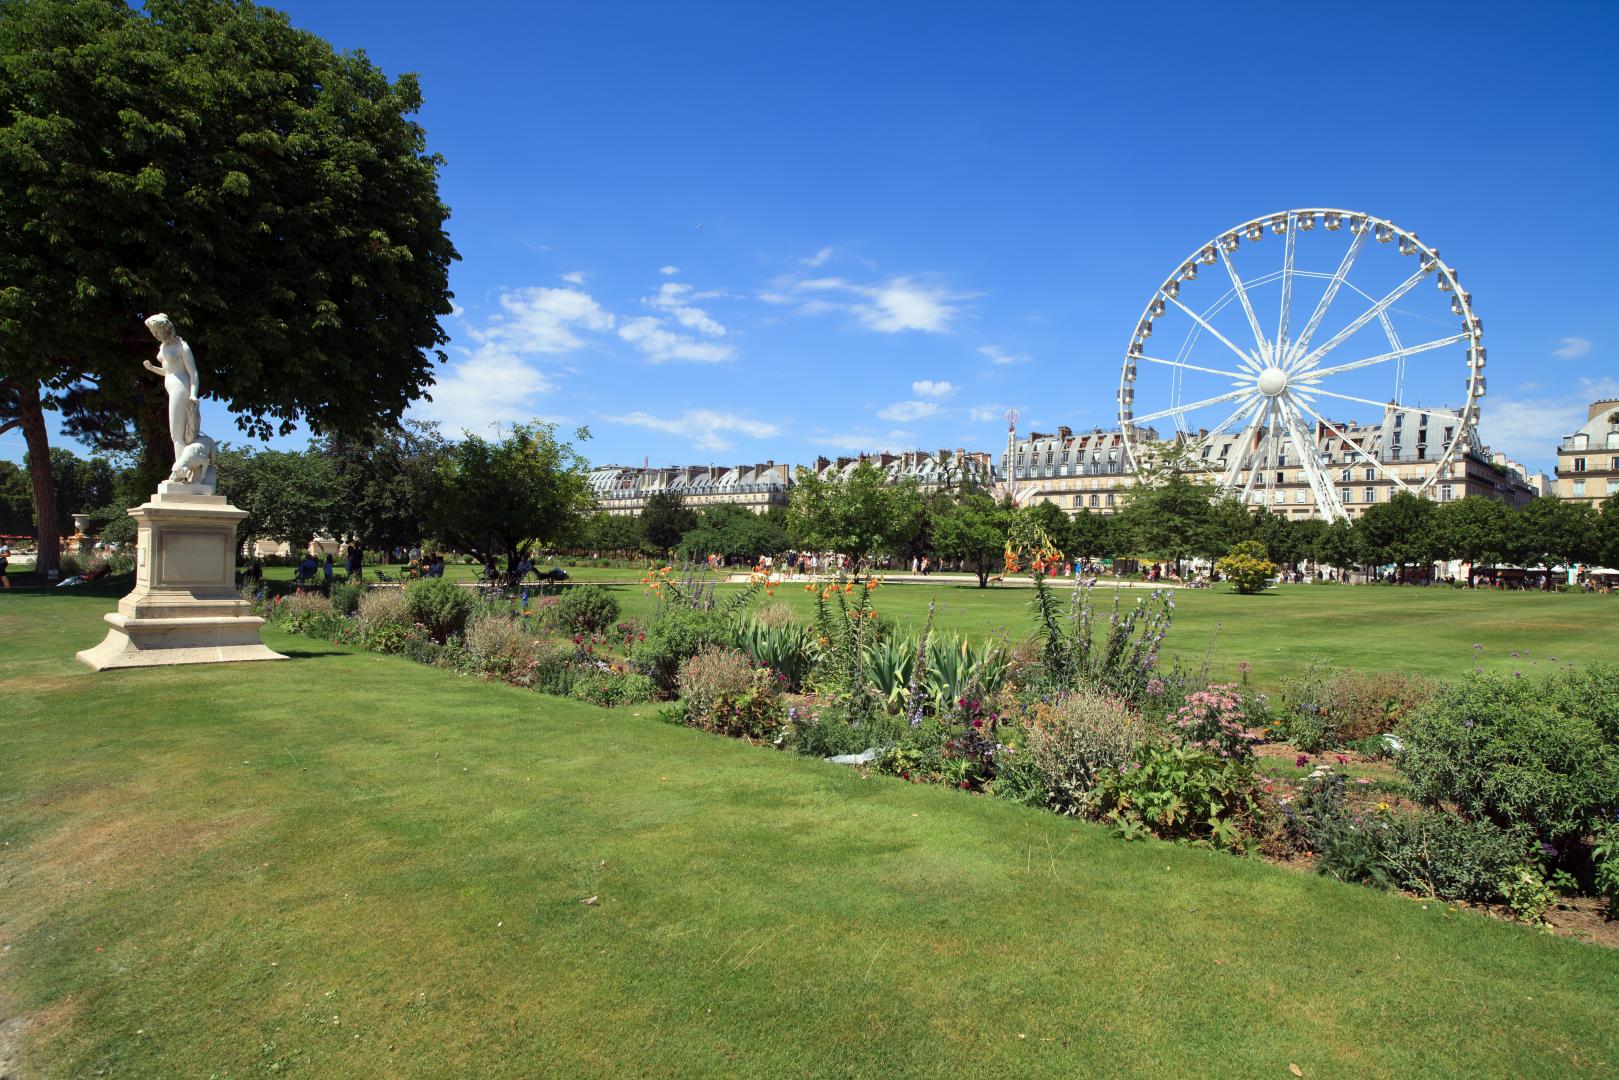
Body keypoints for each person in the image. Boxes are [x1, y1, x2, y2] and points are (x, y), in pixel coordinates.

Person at [142, 313, 201, 467]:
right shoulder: (163, 347)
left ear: (167, 328)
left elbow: (193, 373)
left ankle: (181, 470)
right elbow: (168, 371)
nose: (157, 335)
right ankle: (183, 469)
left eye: (159, 331)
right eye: (154, 332)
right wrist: (152, 368)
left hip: (181, 387)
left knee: (177, 433)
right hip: (172, 386)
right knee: (177, 433)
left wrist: (193, 394)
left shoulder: (182, 346)